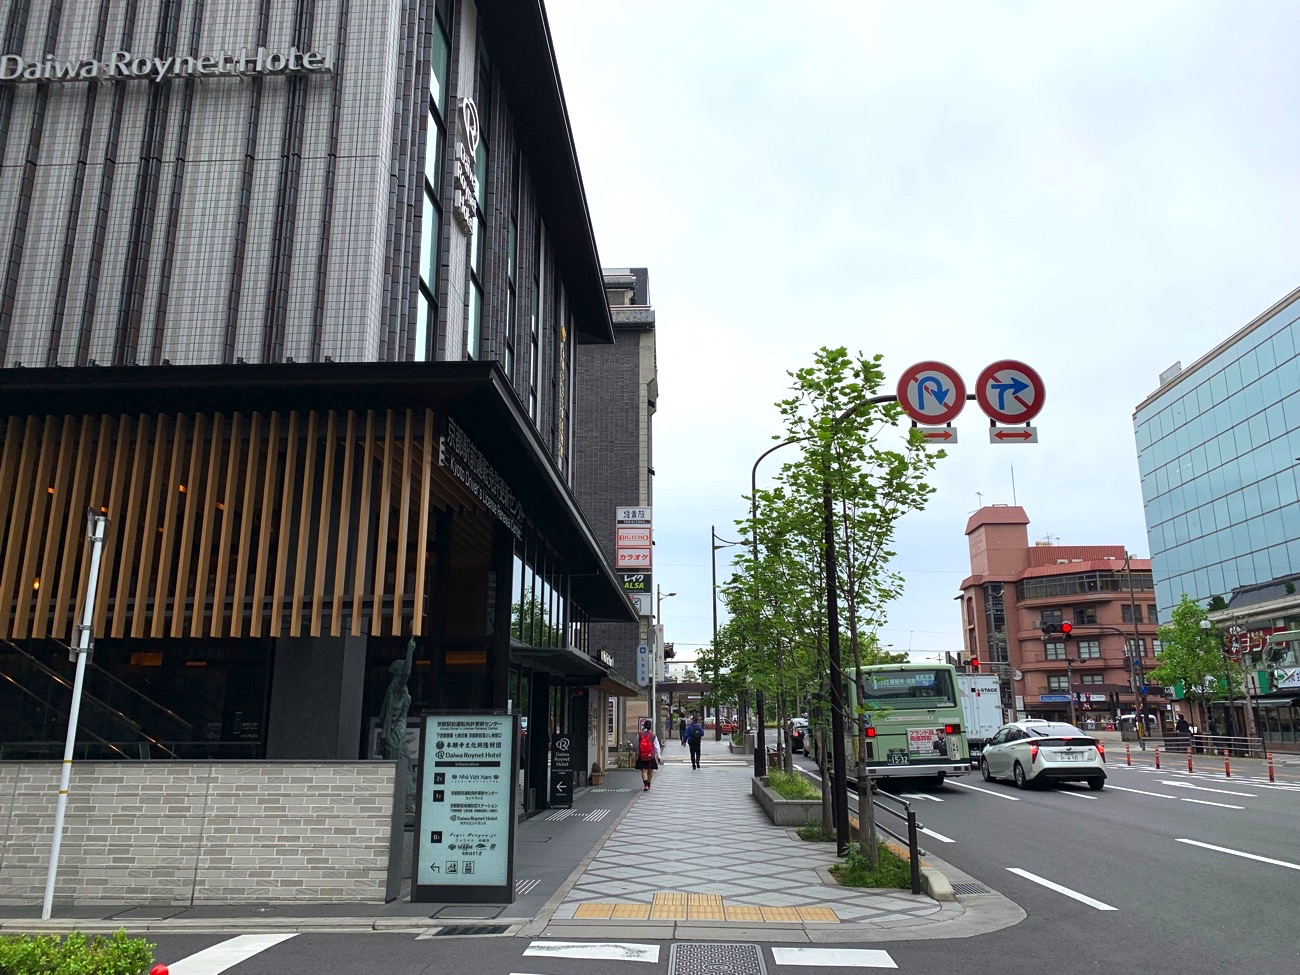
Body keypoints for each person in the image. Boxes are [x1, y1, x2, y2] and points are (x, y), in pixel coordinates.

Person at [636, 719, 662, 791]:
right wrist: (659, 756)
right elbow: (657, 746)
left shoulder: (640, 735)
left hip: (642, 755)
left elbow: (636, 745)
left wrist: (638, 753)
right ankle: (649, 784)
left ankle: (645, 785)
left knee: (644, 770)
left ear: (644, 726)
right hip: (651, 756)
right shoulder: (653, 735)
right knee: (650, 771)